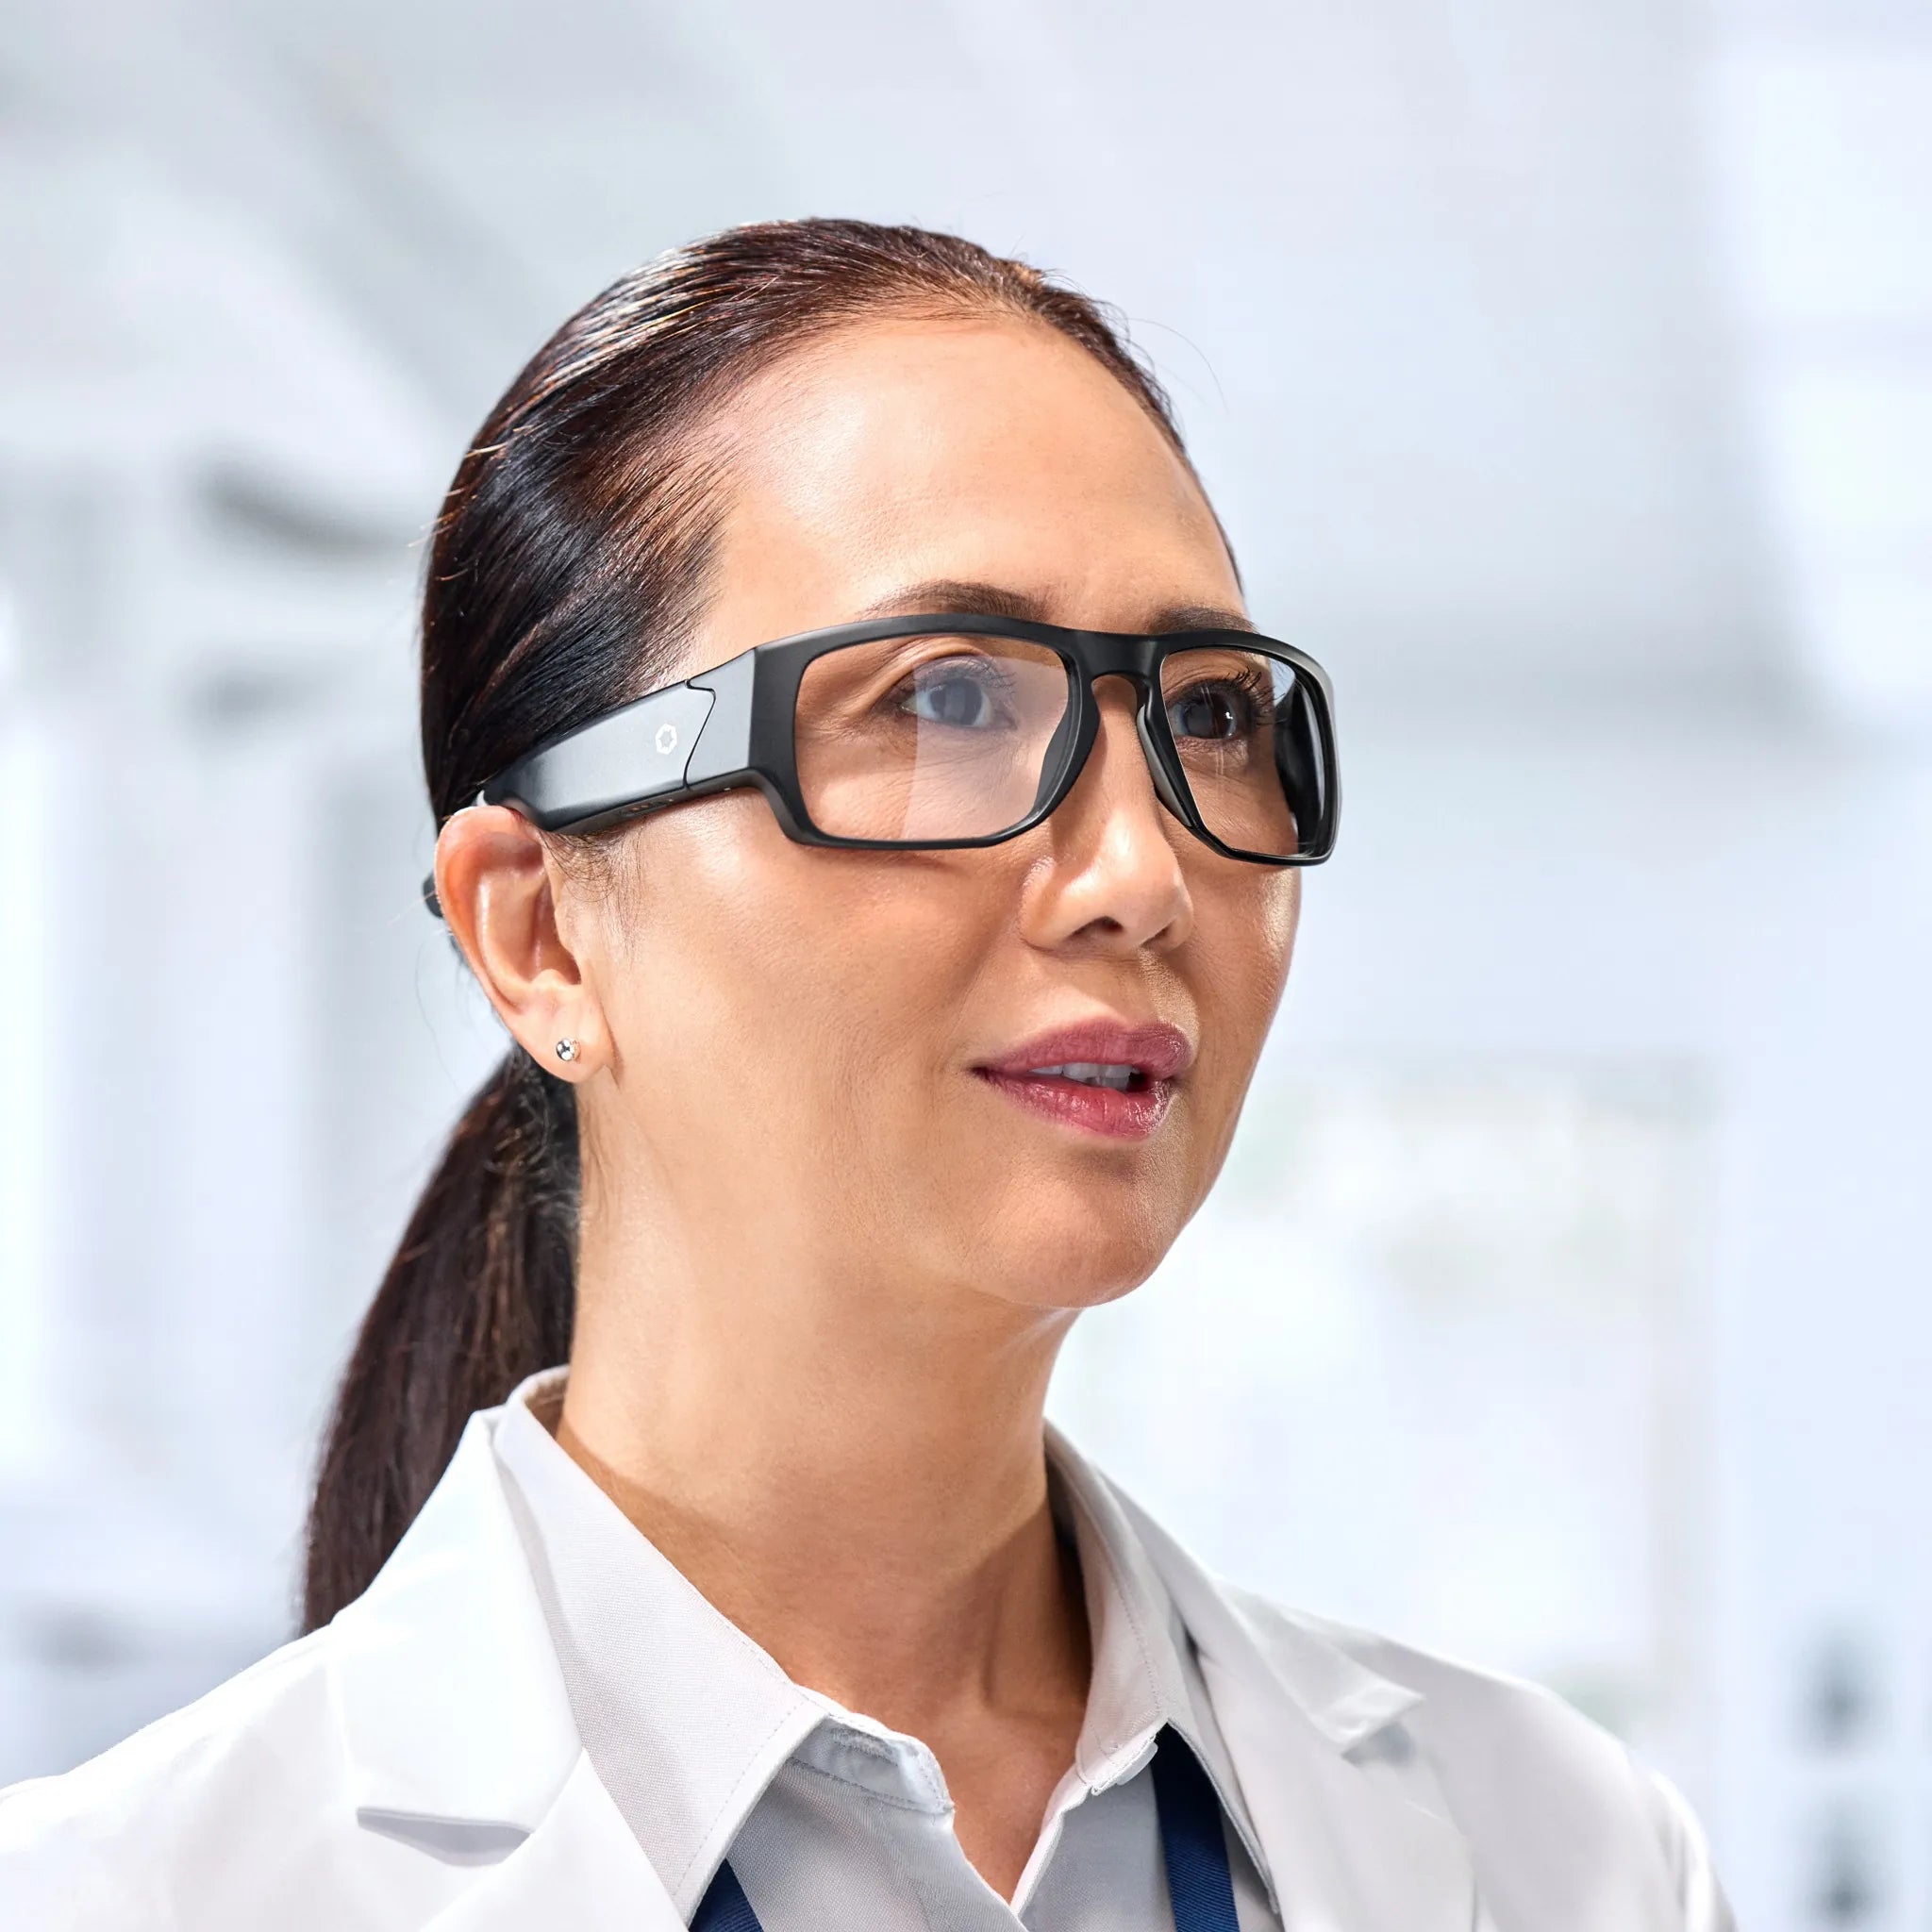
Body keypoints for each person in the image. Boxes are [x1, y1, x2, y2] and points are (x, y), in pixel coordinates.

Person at [0, 218, 1732, 1930]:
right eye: (949, 698)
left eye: (1207, 714)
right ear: (541, 937)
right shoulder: (128, 1897)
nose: (1141, 870)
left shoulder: (1568, 1860)